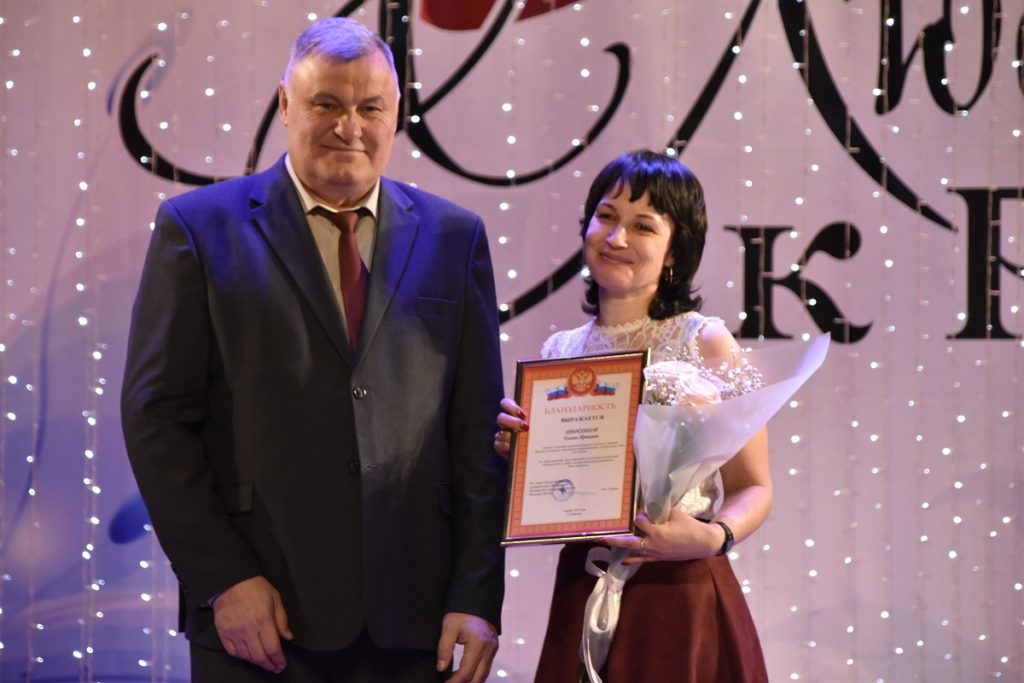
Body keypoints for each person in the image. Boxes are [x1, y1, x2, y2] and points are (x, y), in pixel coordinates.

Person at [121, 17, 506, 683]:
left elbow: (477, 435)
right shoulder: (198, 229)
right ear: (285, 104)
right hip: (259, 619)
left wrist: (476, 594)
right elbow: (157, 421)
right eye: (326, 103)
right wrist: (222, 578)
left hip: (416, 623)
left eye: (370, 108)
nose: (348, 126)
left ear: (396, 115)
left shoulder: (455, 236)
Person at [496, 150, 772, 682]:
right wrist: (519, 460)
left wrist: (713, 538)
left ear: (674, 252)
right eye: (606, 216)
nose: (617, 237)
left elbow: (754, 486)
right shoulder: (559, 352)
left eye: (643, 226)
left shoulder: (707, 341)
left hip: (679, 586)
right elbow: (559, 494)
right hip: (583, 581)